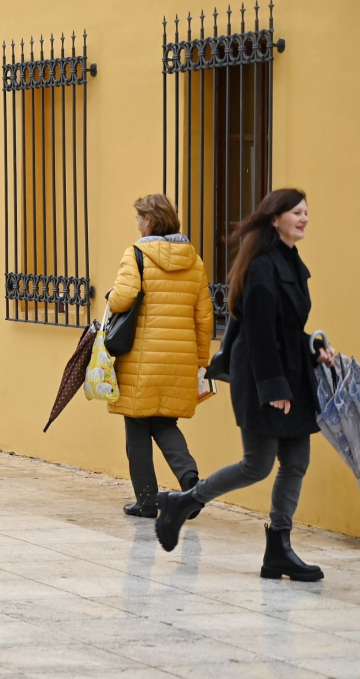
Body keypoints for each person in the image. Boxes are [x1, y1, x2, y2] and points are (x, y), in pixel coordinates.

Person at [155, 189, 336, 582]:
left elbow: (287, 328)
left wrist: (315, 349)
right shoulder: (262, 267)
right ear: (275, 219)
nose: (304, 218)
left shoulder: (290, 260)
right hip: (262, 377)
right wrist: (273, 388)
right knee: (257, 464)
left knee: (296, 462)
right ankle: (182, 502)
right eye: (296, 212)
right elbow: (257, 333)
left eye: (307, 212)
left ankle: (279, 550)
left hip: (289, 374)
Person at [106, 195, 213, 517]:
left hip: (141, 357)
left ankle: (147, 501)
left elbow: (123, 300)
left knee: (137, 427)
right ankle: (190, 483)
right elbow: (204, 317)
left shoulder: (136, 254)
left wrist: (112, 296)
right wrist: (200, 362)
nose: (137, 225)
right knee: (165, 423)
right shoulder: (194, 261)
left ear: (149, 221)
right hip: (179, 359)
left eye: (139, 218)